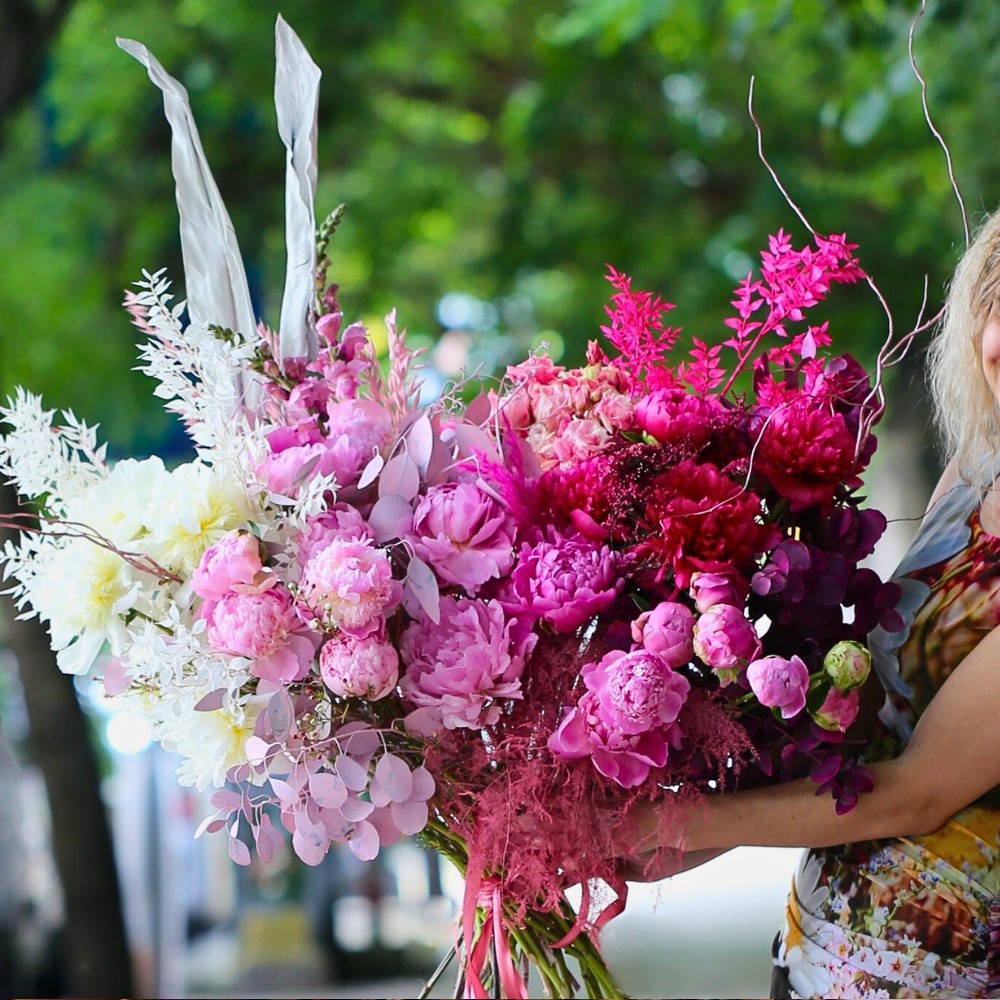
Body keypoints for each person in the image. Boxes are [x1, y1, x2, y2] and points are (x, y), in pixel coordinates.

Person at [618, 207, 1000, 999]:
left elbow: (918, 789)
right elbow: (868, 739)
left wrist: (672, 827)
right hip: (814, 953)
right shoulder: (972, 478)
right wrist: (643, 824)